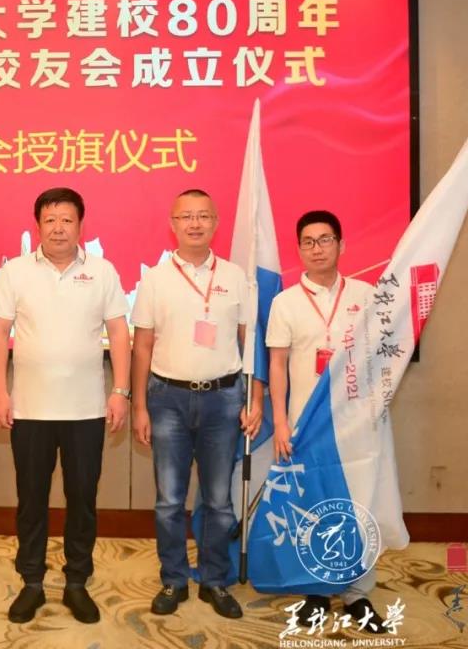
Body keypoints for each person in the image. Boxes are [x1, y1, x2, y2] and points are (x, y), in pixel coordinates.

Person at [0, 187, 131, 625]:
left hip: (86, 410)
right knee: (30, 500)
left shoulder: (103, 271)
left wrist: (120, 391)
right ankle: (31, 582)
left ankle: (76, 582)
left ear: (80, 225)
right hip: (30, 410)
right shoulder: (15, 271)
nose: (58, 228)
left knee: (82, 499)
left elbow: (119, 332)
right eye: (49, 220)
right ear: (38, 225)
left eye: (66, 220)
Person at [130, 188, 262, 619]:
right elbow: (142, 345)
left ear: (216, 223)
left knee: (219, 500)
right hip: (167, 399)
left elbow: (250, 344)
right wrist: (139, 407)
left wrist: (255, 397)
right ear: (172, 224)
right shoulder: (155, 278)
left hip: (224, 399)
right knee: (169, 500)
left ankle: (214, 580)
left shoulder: (236, 276)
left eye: (203, 216)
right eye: (186, 216)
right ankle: (173, 579)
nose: (195, 223)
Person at [264, 209, 387, 634]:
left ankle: (357, 593)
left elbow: (379, 358)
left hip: (355, 425)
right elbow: (277, 366)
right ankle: (315, 590)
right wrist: (281, 422)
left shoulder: (366, 296)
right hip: (305, 426)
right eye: (308, 242)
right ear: (299, 250)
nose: (317, 249)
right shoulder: (285, 303)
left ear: (341, 245)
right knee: (313, 507)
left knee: (358, 504)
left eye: (325, 239)